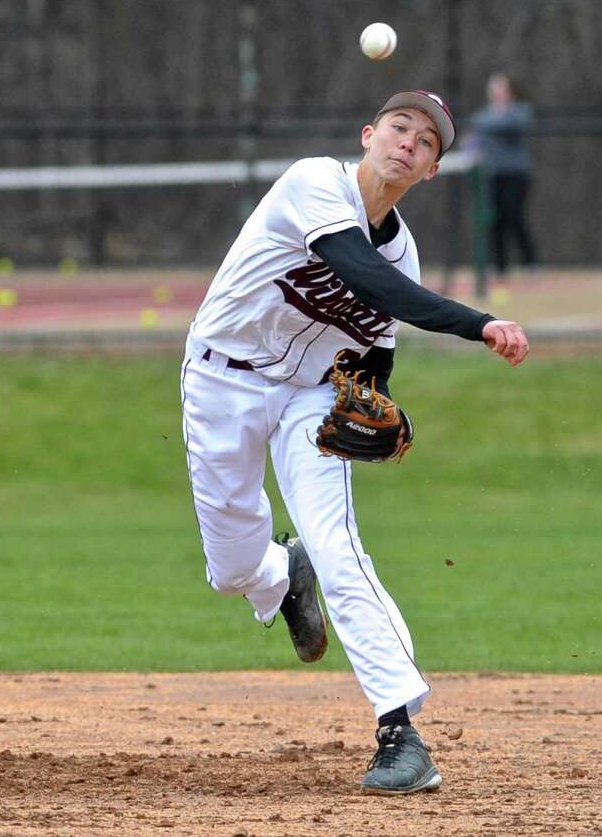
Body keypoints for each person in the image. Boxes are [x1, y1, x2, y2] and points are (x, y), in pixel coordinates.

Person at [180, 90, 529, 795]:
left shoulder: (403, 249)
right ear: (369, 135)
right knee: (230, 569)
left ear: (431, 170)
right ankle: (282, 577)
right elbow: (365, 277)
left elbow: (373, 357)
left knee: (341, 547)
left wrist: (377, 404)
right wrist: (477, 323)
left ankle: (401, 735)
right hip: (224, 380)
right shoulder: (314, 183)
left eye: (426, 141)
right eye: (399, 128)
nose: (409, 142)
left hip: (310, 395)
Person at [470, 73, 539, 277]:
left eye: (501, 88)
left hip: (516, 175)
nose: (497, 92)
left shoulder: (520, 111)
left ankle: (530, 263)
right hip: (492, 175)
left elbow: (510, 124)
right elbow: (476, 131)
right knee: (494, 219)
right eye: (494, 88)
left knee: (514, 216)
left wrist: (485, 125)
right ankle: (500, 266)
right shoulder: (484, 115)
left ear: (509, 91)